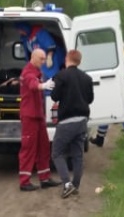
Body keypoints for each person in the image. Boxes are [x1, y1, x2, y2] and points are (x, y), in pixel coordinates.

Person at [49, 49, 94, 198]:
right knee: (77, 155)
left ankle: (67, 184)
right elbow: (90, 99)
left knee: (57, 152)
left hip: (67, 121)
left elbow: (54, 97)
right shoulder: (86, 78)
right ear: (79, 61)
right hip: (82, 121)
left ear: (67, 58)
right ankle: (75, 185)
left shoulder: (61, 76)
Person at [18, 48, 62, 191]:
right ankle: (24, 181)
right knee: (28, 148)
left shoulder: (37, 72)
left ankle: (45, 177)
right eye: (41, 59)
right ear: (33, 57)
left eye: (44, 59)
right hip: (30, 116)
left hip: (38, 116)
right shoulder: (28, 72)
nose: (43, 62)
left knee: (44, 147)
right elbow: (32, 85)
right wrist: (43, 85)